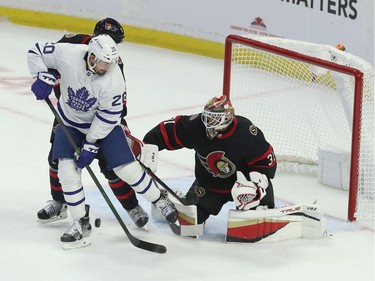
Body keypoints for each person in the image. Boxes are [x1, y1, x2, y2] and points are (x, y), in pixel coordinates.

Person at [27, 34, 178, 248]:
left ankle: (159, 199)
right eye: (103, 62)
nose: (106, 67)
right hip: (69, 123)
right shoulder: (69, 54)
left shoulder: (114, 80)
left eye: (110, 63)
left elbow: (108, 116)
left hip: (104, 128)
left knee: (126, 169)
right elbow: (36, 50)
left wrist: (91, 143)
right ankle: (81, 222)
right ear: (91, 56)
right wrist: (41, 75)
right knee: (67, 171)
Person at [36, 18, 149, 229]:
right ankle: (59, 203)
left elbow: (118, 106)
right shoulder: (73, 44)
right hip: (69, 114)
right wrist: (47, 75)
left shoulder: (113, 64)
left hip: (101, 118)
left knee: (112, 168)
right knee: (56, 160)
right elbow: (49, 60)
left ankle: (132, 206)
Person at [143, 95, 276, 224]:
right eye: (208, 116)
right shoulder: (197, 125)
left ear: (227, 118)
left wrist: (257, 185)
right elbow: (171, 130)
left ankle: (262, 208)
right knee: (189, 221)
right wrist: (147, 146)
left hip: (242, 184)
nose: (208, 121)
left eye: (215, 118)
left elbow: (265, 161)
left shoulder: (245, 131)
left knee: (250, 202)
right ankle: (173, 199)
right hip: (209, 186)